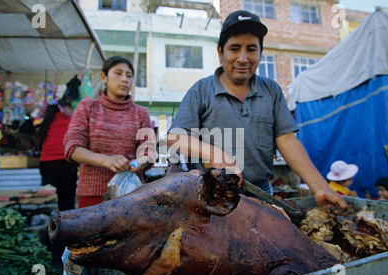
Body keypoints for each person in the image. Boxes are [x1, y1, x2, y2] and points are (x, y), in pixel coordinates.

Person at [167, 10, 347, 209]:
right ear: (220, 52)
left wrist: (320, 187)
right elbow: (175, 137)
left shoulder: (272, 90)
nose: (243, 58)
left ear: (261, 53)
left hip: (261, 195)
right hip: (213, 195)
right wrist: (216, 156)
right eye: (234, 48)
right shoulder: (201, 90)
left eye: (251, 49)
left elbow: (286, 139)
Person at [63, 56, 155, 208]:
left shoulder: (141, 113)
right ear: (103, 77)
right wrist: (106, 160)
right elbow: (72, 148)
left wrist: (141, 162)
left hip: (131, 195)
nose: (124, 79)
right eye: (118, 73)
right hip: (92, 195)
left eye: (129, 75)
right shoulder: (87, 107)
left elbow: (149, 151)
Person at [37, 99, 77, 211]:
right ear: (66, 109)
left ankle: (58, 221)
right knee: (67, 202)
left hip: (45, 167)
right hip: (64, 165)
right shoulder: (71, 120)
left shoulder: (46, 122)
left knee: (61, 196)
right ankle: (66, 226)